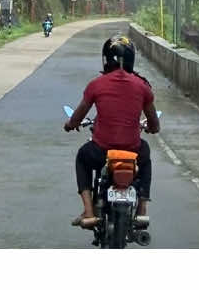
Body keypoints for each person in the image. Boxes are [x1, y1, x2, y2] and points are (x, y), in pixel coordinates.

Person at [64, 34, 159, 229]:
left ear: (106, 58)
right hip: (133, 151)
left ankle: (89, 212)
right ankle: (141, 209)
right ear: (132, 58)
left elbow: (78, 116)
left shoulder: (96, 85)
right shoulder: (143, 87)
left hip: (101, 151)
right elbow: (154, 124)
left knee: (82, 157)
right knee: (146, 156)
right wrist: (150, 128)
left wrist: (70, 124)